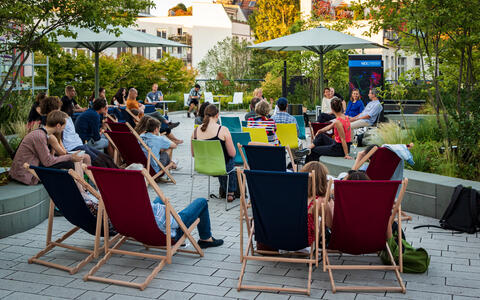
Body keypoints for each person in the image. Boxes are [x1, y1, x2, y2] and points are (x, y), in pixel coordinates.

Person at [125, 164, 224, 249]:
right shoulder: (155, 209)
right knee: (201, 202)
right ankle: (206, 239)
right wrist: (170, 212)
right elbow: (176, 224)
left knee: (159, 199)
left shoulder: (122, 204)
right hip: (167, 235)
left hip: (137, 231)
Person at [10, 111, 84, 185]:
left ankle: (81, 190)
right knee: (69, 164)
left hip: (29, 168)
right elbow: (48, 161)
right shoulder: (39, 136)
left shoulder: (42, 134)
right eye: (63, 127)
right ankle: (78, 191)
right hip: (27, 174)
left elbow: (48, 158)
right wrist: (70, 157)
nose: (63, 130)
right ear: (58, 126)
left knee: (68, 163)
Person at [191, 104, 237, 202]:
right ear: (217, 115)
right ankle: (230, 192)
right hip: (220, 168)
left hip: (203, 167)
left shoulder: (195, 131)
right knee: (231, 158)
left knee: (224, 159)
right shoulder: (223, 129)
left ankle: (224, 189)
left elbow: (193, 154)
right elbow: (232, 153)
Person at [305, 97, 352, 162]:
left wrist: (346, 154)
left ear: (332, 109)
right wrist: (320, 131)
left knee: (313, 150)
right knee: (321, 135)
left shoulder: (338, 122)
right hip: (338, 144)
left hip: (339, 149)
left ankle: (307, 169)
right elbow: (330, 126)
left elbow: (343, 139)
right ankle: (309, 147)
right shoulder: (345, 117)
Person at [300, 161, 330, 245]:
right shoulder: (320, 200)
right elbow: (330, 224)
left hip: (281, 239)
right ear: (323, 180)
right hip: (304, 243)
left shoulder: (292, 195)